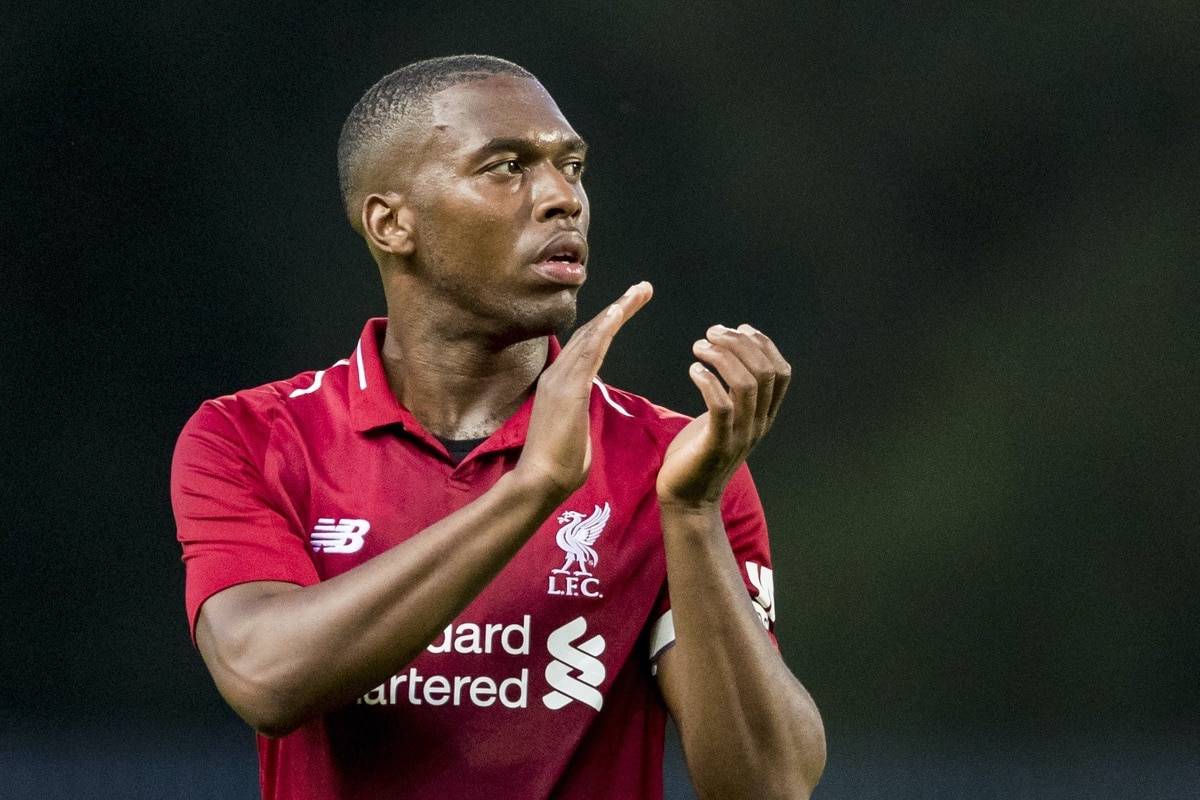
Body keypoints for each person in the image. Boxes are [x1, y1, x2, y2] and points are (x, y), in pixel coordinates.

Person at [170, 54, 825, 800]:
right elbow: (266, 677)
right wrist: (531, 491)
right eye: (506, 168)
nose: (562, 198)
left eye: (570, 165)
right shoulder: (250, 436)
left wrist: (693, 513)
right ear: (392, 223)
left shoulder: (675, 465)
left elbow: (767, 788)